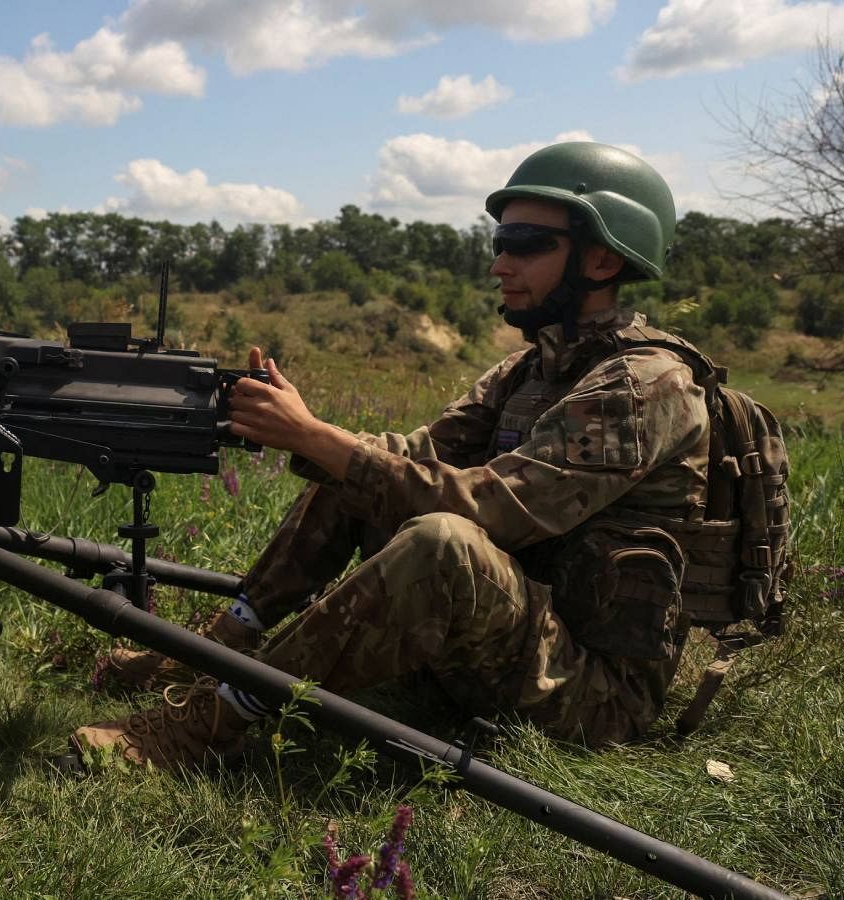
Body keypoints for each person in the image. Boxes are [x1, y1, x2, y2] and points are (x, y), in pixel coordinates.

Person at [73, 141, 716, 769]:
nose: (500, 265)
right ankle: (220, 646)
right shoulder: (531, 369)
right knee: (354, 470)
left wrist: (316, 438)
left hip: (592, 692)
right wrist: (310, 431)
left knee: (443, 540)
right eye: (499, 244)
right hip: (512, 638)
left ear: (601, 262)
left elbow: (496, 513)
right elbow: (411, 459)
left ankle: (208, 726)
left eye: (526, 245)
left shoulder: (646, 385)